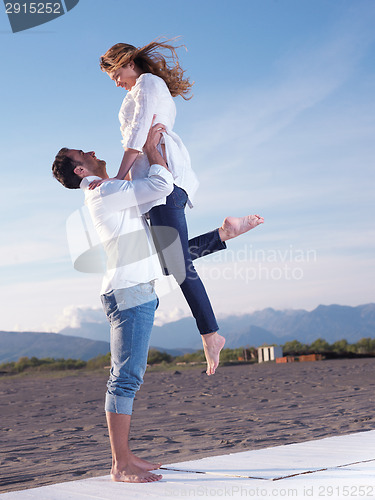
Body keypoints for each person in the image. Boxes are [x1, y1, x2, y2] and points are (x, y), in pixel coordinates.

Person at [52, 122, 263, 483]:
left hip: (137, 287)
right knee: (125, 378)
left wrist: (219, 236)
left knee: (168, 260)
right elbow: (163, 186)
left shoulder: (111, 190)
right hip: (129, 292)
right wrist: (151, 149)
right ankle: (120, 464)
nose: (90, 151)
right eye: (82, 154)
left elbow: (166, 254)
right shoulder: (104, 192)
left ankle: (126, 456)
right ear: (80, 170)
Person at [89, 38, 260, 375]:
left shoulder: (148, 83)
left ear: (125, 61)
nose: (114, 81)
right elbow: (139, 132)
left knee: (177, 266)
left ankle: (211, 333)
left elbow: (139, 132)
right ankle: (224, 233)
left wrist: (120, 179)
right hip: (155, 181)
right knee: (169, 264)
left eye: (113, 72)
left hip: (161, 178)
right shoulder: (141, 88)